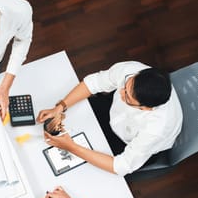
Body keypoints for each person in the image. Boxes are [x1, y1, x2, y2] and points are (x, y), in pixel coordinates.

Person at [37, 62, 183, 176]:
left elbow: (121, 166)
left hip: (128, 142)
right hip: (112, 114)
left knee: (79, 169)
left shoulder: (156, 129)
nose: (120, 92)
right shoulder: (130, 70)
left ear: (145, 108)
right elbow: (93, 83)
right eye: (125, 86)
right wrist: (60, 107)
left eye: (127, 97)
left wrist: (71, 147)